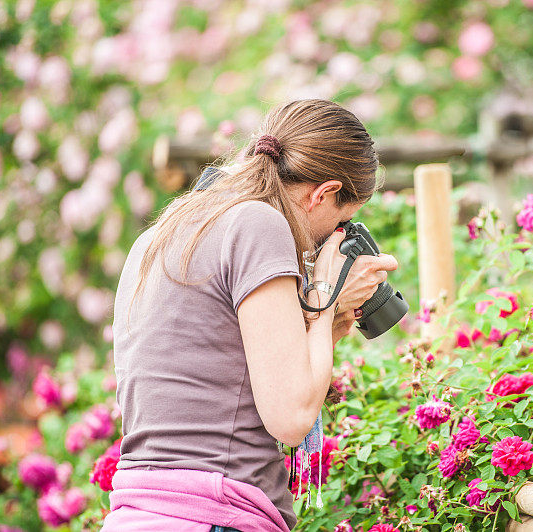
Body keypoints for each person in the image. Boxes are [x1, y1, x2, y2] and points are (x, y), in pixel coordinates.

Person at [103, 99, 399, 531]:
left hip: (138, 515)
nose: (332, 239)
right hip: (213, 514)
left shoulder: (159, 234)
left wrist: (327, 324)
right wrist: (325, 296)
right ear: (323, 193)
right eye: (342, 222)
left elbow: (223, 383)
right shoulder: (257, 223)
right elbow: (292, 417)